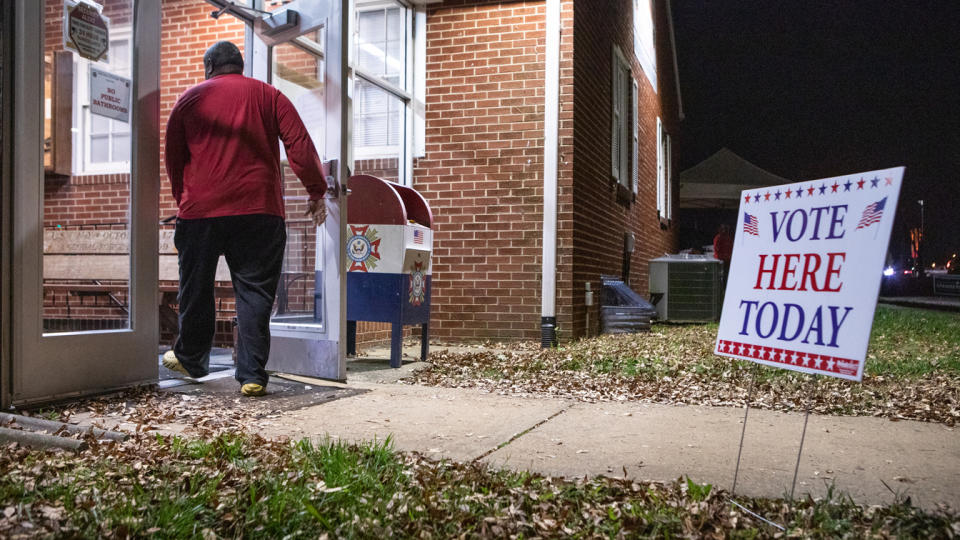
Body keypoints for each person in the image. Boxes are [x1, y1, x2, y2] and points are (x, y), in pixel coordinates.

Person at [162, 41, 328, 397]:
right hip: (259, 211)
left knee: (196, 285)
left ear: (209, 66)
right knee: (254, 293)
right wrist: (316, 191)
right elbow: (299, 145)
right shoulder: (270, 96)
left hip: (201, 213)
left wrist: (185, 201)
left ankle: (191, 357)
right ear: (239, 65)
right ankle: (251, 375)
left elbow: (174, 159)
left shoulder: (189, 99)